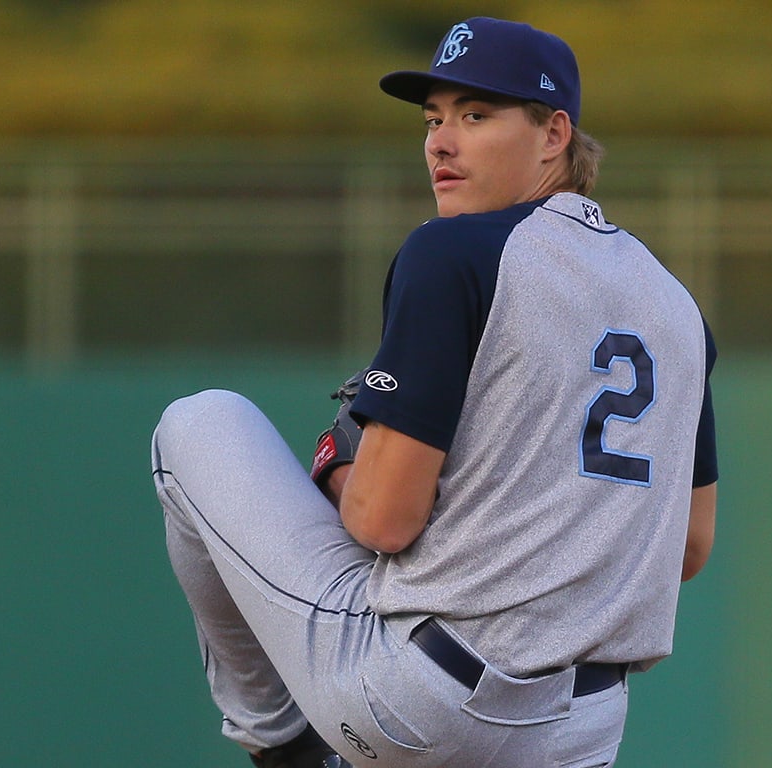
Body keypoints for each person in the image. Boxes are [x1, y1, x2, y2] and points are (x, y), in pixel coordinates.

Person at [151, 16, 718, 768]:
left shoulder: (450, 252)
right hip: (583, 736)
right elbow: (686, 545)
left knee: (198, 424)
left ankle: (282, 739)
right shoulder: (676, 306)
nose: (440, 142)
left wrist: (337, 461)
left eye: (476, 116)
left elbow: (384, 521)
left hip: (422, 707)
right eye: (434, 119)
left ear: (554, 134)